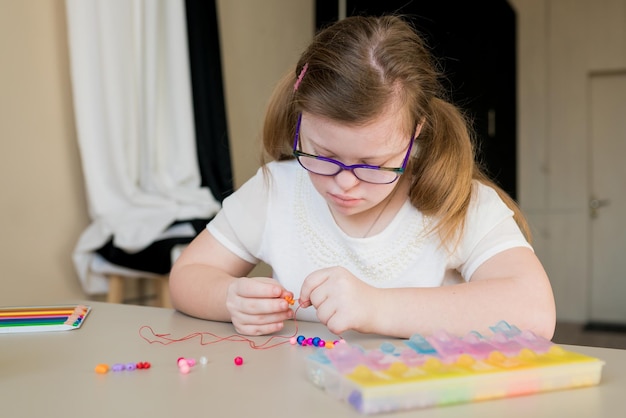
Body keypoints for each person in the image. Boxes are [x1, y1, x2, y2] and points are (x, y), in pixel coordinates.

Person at [169, 15, 556, 340]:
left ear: (415, 132)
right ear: (300, 123)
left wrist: (375, 307)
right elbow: (187, 276)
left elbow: (534, 311)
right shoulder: (276, 191)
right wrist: (229, 297)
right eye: (323, 156)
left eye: (372, 165)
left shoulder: (458, 202)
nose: (345, 183)